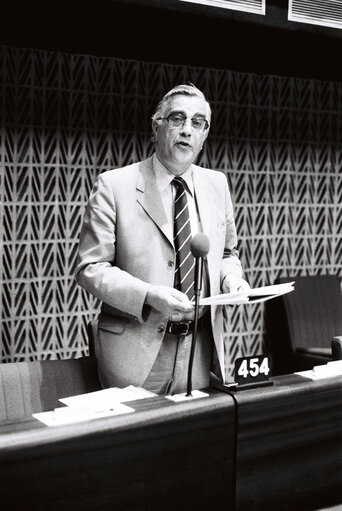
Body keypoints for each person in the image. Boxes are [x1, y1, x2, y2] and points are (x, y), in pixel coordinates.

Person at [75, 83, 249, 395]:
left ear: (205, 135)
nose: (187, 130)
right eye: (177, 119)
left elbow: (226, 255)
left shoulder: (217, 185)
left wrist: (231, 281)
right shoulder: (115, 186)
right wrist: (150, 294)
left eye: (198, 123)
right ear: (157, 127)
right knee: (134, 441)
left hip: (198, 349)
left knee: (193, 440)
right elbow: (91, 269)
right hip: (135, 351)